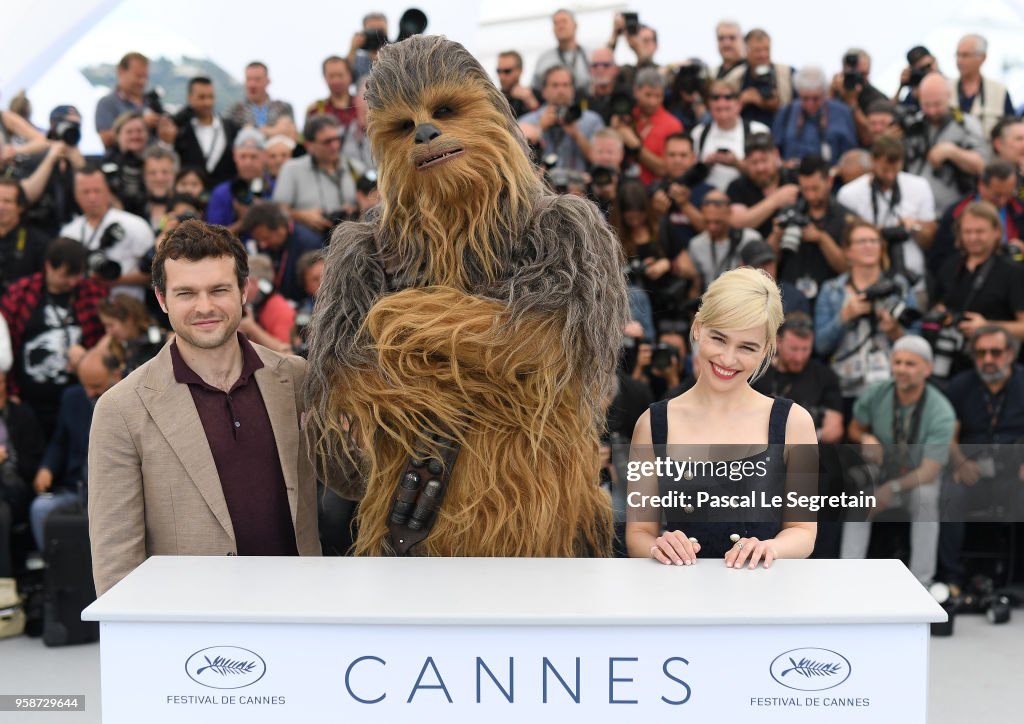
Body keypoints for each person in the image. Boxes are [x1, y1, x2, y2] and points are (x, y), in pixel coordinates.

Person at [88, 220, 324, 595]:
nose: (205, 307)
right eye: (186, 293)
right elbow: (116, 556)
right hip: (194, 632)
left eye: (219, 290)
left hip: (300, 607)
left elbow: (349, 481)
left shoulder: (297, 379)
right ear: (162, 300)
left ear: (243, 291)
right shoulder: (121, 409)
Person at [626, 266, 818, 567]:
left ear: (767, 348)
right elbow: (638, 532)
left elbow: (804, 531)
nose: (728, 359)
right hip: (683, 597)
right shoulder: (652, 424)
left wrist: (770, 547)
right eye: (719, 339)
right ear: (698, 327)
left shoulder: (795, 423)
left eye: (747, 347)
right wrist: (659, 545)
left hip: (764, 596)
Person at [841, 335, 955, 585]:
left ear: (928, 369)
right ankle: (847, 578)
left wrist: (890, 489)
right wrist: (866, 437)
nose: (902, 369)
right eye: (898, 362)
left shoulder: (941, 410)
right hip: (881, 471)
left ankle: (922, 583)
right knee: (860, 492)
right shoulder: (877, 393)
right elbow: (854, 428)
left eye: (910, 364)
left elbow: (930, 471)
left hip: (916, 480)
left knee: (927, 498)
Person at [939, 326, 1024, 589]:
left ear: (1010, 354)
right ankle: (950, 580)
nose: (987, 359)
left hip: (1016, 470)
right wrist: (959, 461)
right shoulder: (961, 385)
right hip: (972, 469)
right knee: (947, 495)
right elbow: (946, 431)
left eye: (995, 352)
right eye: (981, 353)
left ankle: (1018, 581)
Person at [0, 238, 106, 439]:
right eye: (66, 275)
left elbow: (108, 339)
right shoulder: (20, 293)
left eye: (78, 275)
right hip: (28, 400)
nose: (73, 282)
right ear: (49, 266)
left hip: (79, 397)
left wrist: (89, 358)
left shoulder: (92, 292)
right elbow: (6, 344)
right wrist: (10, 392)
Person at [815, 221, 916, 418]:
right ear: (847, 250)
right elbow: (820, 346)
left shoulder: (900, 288)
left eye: (874, 241)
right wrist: (843, 317)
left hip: (889, 384)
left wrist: (896, 332)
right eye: (861, 241)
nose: (869, 246)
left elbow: (918, 343)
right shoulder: (832, 290)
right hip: (843, 385)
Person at [30, 349, 120, 553]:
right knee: (40, 509)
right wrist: (46, 468)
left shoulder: (129, 398)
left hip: (115, 490)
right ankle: (56, 572)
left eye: (96, 386)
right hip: (77, 488)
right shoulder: (72, 397)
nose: (89, 393)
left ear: (116, 375)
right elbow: (59, 441)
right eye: (84, 385)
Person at [929, 201, 1024, 379]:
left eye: (980, 232)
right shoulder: (950, 267)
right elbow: (936, 309)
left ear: (996, 232)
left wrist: (987, 327)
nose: (973, 238)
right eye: (968, 232)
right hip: (951, 364)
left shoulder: (1014, 272)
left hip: (997, 367)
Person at [837, 137, 936, 283]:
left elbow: (930, 238)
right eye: (885, 170)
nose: (890, 175)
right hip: (867, 279)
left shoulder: (919, 186)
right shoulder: (849, 193)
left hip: (913, 276)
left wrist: (914, 227)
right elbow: (845, 242)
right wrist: (877, 232)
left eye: (895, 170)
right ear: (873, 161)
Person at [764, 154, 852, 304]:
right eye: (805, 189)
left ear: (829, 181)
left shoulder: (844, 218)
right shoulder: (788, 214)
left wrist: (822, 238)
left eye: (815, 189)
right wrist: (776, 236)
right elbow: (766, 261)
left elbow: (848, 268)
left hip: (830, 299)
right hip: (788, 297)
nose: (810, 195)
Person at [60, 166, 156, 300]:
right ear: (75, 194)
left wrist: (115, 280)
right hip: (85, 309)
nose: (92, 197)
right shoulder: (69, 232)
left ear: (107, 191)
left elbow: (156, 272)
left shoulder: (134, 224)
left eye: (97, 191)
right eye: (85, 192)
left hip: (128, 310)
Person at [753, 312, 844, 444]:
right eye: (794, 349)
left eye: (805, 349)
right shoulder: (758, 372)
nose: (799, 357)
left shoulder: (824, 376)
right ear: (778, 341)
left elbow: (834, 430)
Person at [906, 73, 986, 216]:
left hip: (953, 211)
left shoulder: (965, 123)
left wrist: (952, 152)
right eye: (926, 105)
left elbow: (982, 165)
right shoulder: (912, 124)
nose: (932, 110)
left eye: (937, 104)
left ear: (948, 96)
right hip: (915, 210)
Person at [272, 114, 364, 234]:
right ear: (309, 145)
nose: (335, 146)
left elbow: (371, 202)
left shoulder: (355, 168)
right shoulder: (292, 169)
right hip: (311, 243)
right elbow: (276, 211)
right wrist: (300, 216)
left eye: (337, 139)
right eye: (327, 142)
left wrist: (358, 209)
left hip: (351, 236)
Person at [930, 159, 1024, 275]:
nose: (1003, 201)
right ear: (981, 185)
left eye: (1009, 194)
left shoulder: (1019, 209)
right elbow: (939, 261)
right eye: (997, 195)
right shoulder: (956, 213)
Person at [518, 66, 604, 173]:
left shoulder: (591, 120)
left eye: (565, 85)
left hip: (580, 185)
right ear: (544, 91)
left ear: (573, 90)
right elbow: (517, 159)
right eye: (555, 85)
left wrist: (577, 135)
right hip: (540, 184)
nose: (561, 90)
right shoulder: (527, 122)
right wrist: (539, 128)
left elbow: (601, 162)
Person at [690, 79, 770, 190]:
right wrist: (706, 165)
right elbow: (689, 171)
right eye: (715, 97)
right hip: (707, 199)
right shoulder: (698, 133)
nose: (722, 102)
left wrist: (737, 164)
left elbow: (769, 172)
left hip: (746, 197)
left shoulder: (758, 130)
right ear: (709, 105)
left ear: (739, 104)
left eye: (728, 97)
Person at [239, 201, 323, 304]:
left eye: (266, 238)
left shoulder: (309, 244)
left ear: (280, 228)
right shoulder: (268, 245)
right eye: (259, 240)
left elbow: (316, 288)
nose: (262, 245)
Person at [773, 66, 857, 166]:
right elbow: (774, 150)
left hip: (833, 177)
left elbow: (852, 153)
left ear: (824, 94)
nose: (810, 104)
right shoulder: (786, 112)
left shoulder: (842, 113)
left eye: (815, 99)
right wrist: (785, 164)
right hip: (793, 176)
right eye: (805, 98)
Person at [611, 68, 682, 185]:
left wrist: (635, 145)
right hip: (622, 187)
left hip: (652, 192)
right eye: (648, 95)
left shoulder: (673, 125)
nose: (652, 102)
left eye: (658, 96)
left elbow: (665, 169)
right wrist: (614, 132)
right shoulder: (625, 117)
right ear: (635, 91)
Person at [165, 77, 239, 188]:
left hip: (224, 197)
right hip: (189, 196)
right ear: (190, 98)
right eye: (201, 97)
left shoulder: (231, 128)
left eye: (211, 97)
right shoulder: (180, 130)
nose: (207, 102)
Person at [685, 189, 761, 290]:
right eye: (707, 222)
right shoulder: (695, 244)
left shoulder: (750, 239)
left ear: (729, 213)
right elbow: (695, 285)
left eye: (717, 222)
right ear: (702, 213)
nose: (712, 227)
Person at [651, 134, 710, 259]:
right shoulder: (653, 191)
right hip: (661, 261)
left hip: (699, 261)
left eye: (683, 155)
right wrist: (656, 214)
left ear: (693, 158)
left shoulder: (708, 192)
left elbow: (712, 232)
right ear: (664, 157)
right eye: (672, 155)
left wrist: (685, 205)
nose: (677, 160)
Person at [205, 129, 273, 234]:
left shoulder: (274, 189)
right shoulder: (222, 192)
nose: (248, 162)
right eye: (243, 156)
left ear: (264, 156)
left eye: (254, 157)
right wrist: (244, 222)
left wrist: (263, 213)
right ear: (234, 156)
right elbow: (212, 237)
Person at [951, 34, 1013, 137]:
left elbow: (1011, 129)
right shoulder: (945, 89)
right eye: (957, 55)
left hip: (988, 151)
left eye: (965, 55)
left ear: (983, 57)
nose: (959, 61)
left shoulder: (999, 91)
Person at [94, 52, 160, 149]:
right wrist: (141, 124)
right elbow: (106, 139)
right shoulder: (107, 103)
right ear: (121, 72)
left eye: (145, 77)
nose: (142, 82)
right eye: (138, 76)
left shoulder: (151, 103)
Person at [0, 177, 48, 294]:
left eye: (7, 201)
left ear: (20, 207)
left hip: (21, 306)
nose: (1, 207)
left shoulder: (38, 242)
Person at [226, 62, 296, 140]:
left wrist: (252, 129)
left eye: (257, 80)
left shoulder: (283, 107)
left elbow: (291, 136)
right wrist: (274, 131)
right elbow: (228, 136)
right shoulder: (235, 109)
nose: (252, 85)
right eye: (248, 79)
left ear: (268, 81)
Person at [738, 29, 793, 128]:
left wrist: (770, 104)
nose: (763, 55)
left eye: (766, 49)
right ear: (746, 51)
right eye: (758, 50)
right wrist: (740, 101)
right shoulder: (736, 77)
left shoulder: (788, 74)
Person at [101, 111, 149, 216]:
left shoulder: (154, 159)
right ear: (118, 136)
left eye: (140, 131)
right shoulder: (107, 162)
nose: (135, 136)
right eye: (129, 132)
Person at [531, 9, 590, 93]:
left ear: (575, 25)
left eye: (564, 21)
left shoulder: (590, 55)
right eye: (556, 23)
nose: (560, 26)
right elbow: (535, 88)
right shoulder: (544, 59)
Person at [305, 56, 358, 128]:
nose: (336, 81)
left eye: (340, 75)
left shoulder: (362, 106)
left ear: (350, 75)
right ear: (324, 77)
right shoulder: (315, 110)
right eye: (331, 76)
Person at [495, 51, 539, 118]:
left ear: (520, 71)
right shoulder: (493, 98)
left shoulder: (536, 95)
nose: (501, 76)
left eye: (507, 71)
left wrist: (532, 104)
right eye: (498, 71)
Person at [710, 19, 746, 85]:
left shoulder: (750, 72)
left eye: (732, 38)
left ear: (742, 41)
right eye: (721, 38)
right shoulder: (711, 75)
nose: (726, 43)